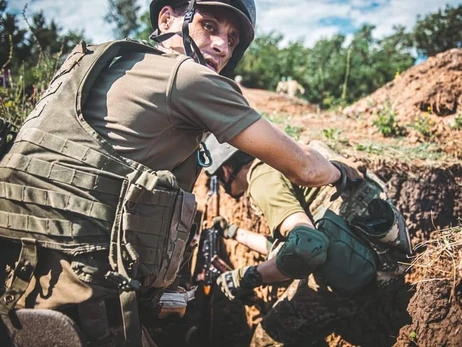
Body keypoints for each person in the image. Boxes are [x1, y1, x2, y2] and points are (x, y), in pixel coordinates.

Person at [0, 0, 365, 346]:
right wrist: (341, 172)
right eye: (210, 26)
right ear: (166, 19)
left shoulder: (94, 63)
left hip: (16, 277)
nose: (222, 45)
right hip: (79, 299)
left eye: (232, 39)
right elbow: (304, 166)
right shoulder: (187, 77)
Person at [202, 134, 413, 346]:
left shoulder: (261, 178)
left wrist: (247, 277)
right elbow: (285, 249)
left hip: (353, 270)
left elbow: (306, 249)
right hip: (385, 261)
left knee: (267, 339)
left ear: (226, 169)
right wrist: (234, 232)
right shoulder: (284, 155)